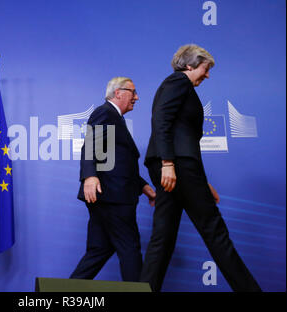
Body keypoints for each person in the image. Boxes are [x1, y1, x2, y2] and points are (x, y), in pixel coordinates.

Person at [141, 44, 261, 292]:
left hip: (177, 168)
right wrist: (168, 163)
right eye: (205, 69)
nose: (207, 75)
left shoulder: (176, 85)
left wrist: (201, 182)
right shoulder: (179, 82)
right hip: (176, 166)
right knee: (215, 232)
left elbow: (177, 131)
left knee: (162, 238)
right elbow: (161, 119)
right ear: (189, 65)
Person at [70, 77, 156, 282]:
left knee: (99, 250)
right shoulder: (105, 112)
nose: (137, 97)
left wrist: (144, 187)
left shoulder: (116, 118)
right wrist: (90, 176)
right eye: (132, 92)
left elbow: (118, 163)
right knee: (129, 248)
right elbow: (91, 144)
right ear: (118, 93)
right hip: (113, 197)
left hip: (108, 196)